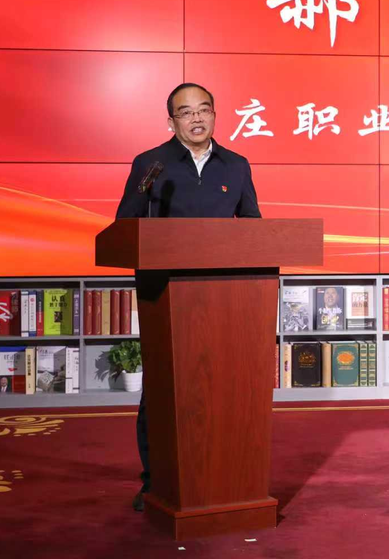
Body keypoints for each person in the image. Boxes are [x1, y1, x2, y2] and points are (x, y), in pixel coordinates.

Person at [114, 82, 261, 511]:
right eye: (186, 112)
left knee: (222, 391)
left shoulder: (236, 165)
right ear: (171, 121)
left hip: (223, 298)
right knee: (163, 392)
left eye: (204, 110)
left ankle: (223, 478)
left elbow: (254, 228)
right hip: (165, 296)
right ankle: (155, 483)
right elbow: (125, 226)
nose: (197, 118)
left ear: (214, 115)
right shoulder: (151, 164)